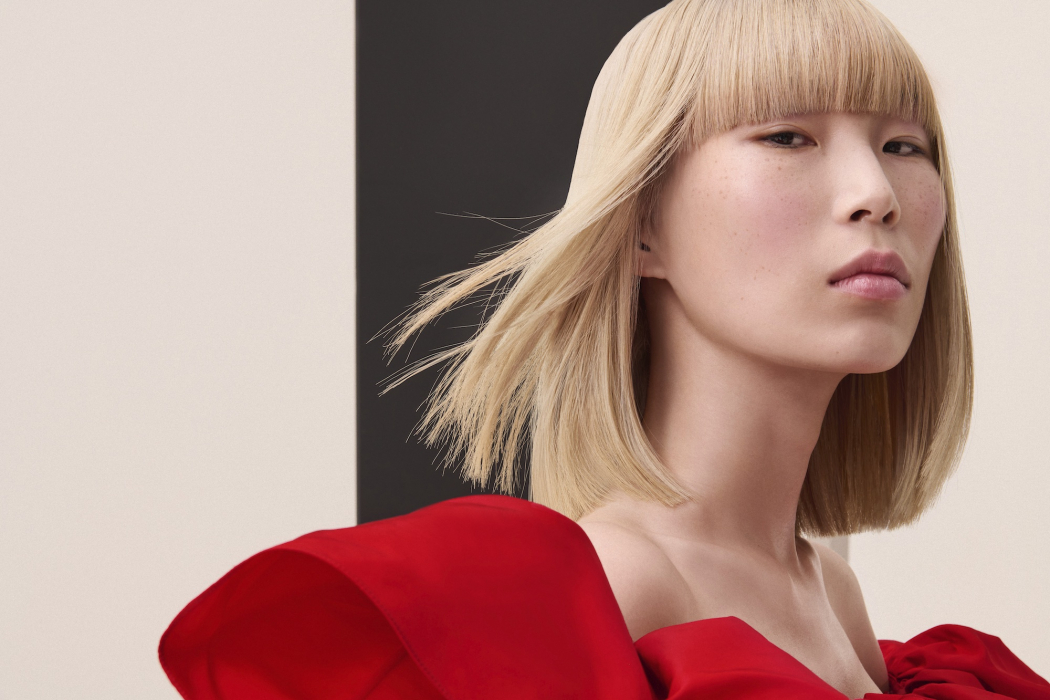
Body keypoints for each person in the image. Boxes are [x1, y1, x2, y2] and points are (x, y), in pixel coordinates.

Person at [160, 0, 1050, 698]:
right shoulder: (614, 586)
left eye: (904, 146)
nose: (875, 192)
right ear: (643, 226)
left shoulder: (833, 596)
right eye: (788, 136)